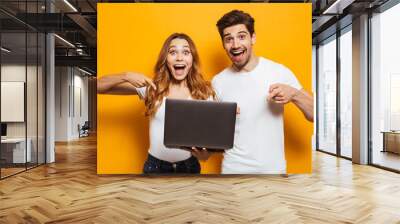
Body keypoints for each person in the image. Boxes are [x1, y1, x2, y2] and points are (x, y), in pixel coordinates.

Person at [211, 10, 314, 174]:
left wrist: (294, 94)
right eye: (229, 39)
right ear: (224, 44)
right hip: (232, 171)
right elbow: (212, 136)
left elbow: (314, 115)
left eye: (242, 36)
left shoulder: (278, 71)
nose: (235, 44)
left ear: (253, 38)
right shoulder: (218, 81)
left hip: (273, 171)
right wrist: (222, 118)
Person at [97, 33, 215, 174]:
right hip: (155, 167)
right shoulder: (152, 88)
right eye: (172, 52)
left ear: (192, 59)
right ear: (165, 59)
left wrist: (206, 155)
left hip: (190, 167)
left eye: (186, 52)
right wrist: (125, 75)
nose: (179, 57)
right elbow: (98, 86)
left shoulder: (203, 93)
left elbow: (209, 146)